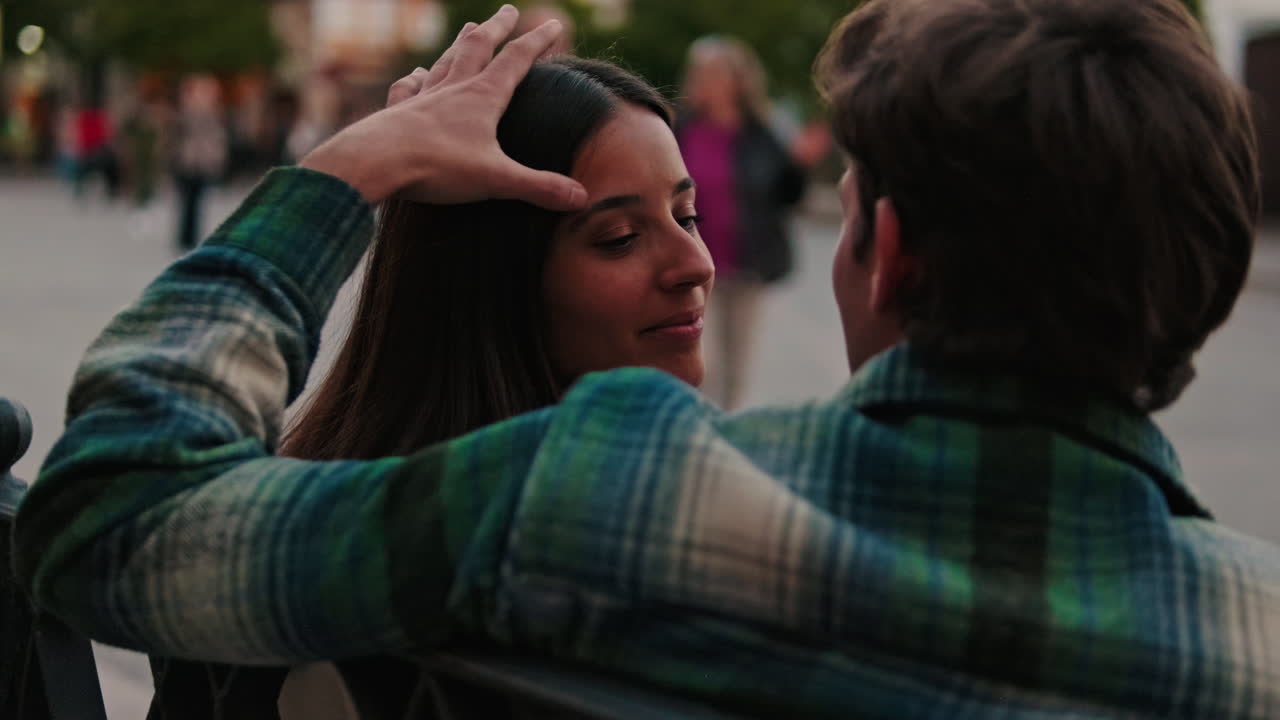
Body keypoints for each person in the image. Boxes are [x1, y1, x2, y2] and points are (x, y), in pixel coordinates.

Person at [14, 2, 1280, 717]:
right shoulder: (1249, 641)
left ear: (886, 255)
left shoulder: (626, 496)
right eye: (624, 231)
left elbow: (108, 525)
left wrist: (348, 171)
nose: (693, 262)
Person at [676, 36, 829, 409]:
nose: (706, 83)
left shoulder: (763, 132)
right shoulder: (680, 130)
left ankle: (726, 425)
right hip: (692, 260)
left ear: (737, 82)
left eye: (715, 75)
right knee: (698, 356)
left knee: (736, 359)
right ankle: (698, 420)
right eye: (701, 75)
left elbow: (787, 197)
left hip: (747, 261)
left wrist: (799, 165)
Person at [172, 75, 230, 250]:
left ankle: (191, 237)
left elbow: (217, 137)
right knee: (187, 199)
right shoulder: (188, 112)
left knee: (197, 200)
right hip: (188, 159)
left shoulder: (212, 112)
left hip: (202, 160)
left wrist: (216, 158)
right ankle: (185, 237)